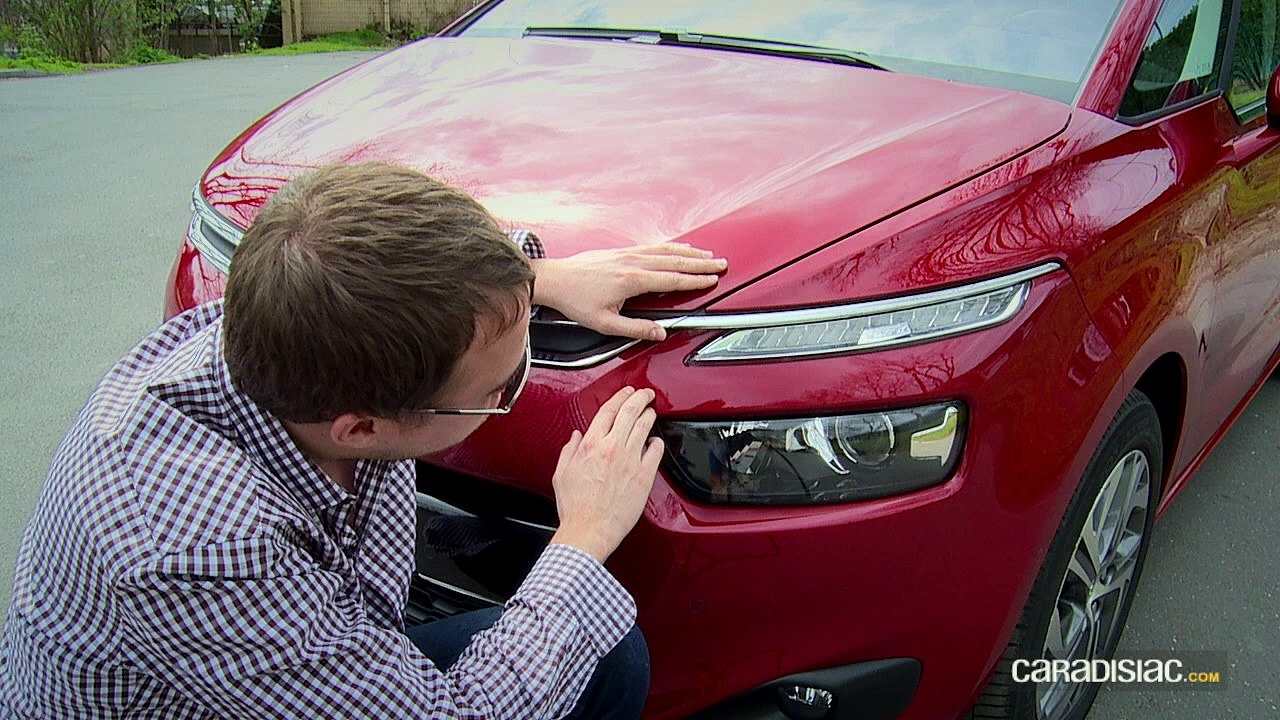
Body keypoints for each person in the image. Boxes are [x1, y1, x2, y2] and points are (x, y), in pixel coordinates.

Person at [0, 162, 728, 719]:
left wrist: (529, 280)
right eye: (501, 389)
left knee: (597, 657)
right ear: (360, 428)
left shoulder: (284, 320)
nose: (513, 389)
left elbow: (370, 267)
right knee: (597, 651)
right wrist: (584, 537)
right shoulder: (201, 553)